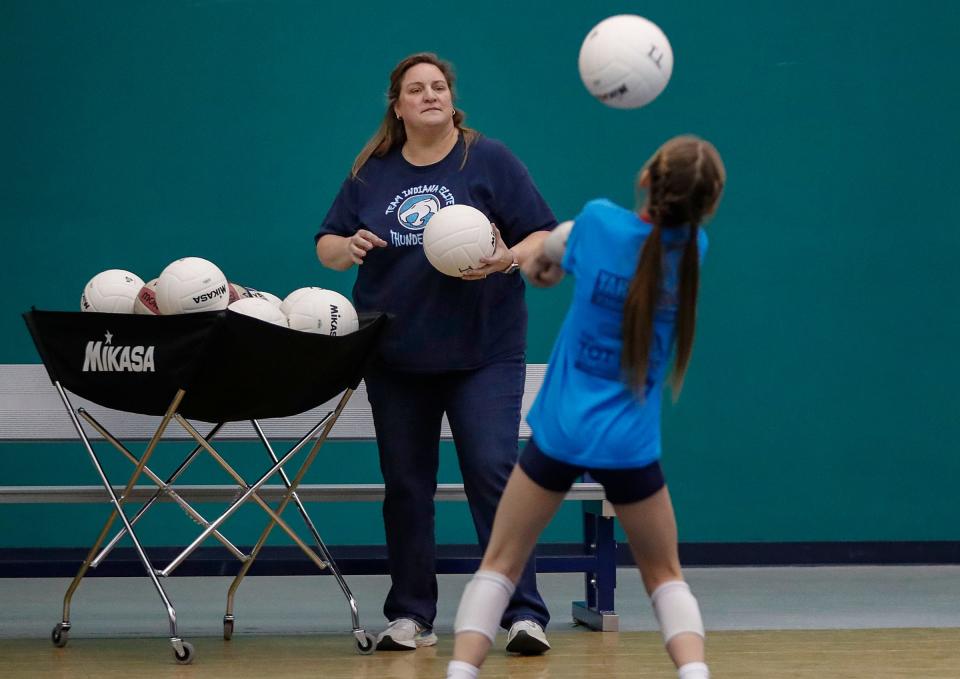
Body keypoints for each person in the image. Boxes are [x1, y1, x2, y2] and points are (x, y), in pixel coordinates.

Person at [446, 135, 726, 679]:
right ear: (706, 206)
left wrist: (537, 265)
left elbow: (550, 253)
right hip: (630, 445)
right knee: (665, 574)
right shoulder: (692, 252)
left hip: (562, 433)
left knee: (500, 562)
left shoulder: (598, 223)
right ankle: (694, 672)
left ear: (646, 178)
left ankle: (461, 671)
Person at [314, 53, 556, 654]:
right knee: (406, 485)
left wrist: (506, 259)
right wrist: (350, 244)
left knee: (494, 474)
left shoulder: (489, 160)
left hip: (483, 352)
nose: (429, 95)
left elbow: (542, 235)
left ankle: (522, 613)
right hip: (396, 357)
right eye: (415, 89)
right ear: (397, 106)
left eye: (438, 87)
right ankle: (412, 616)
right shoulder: (371, 171)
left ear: (452, 99)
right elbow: (326, 248)